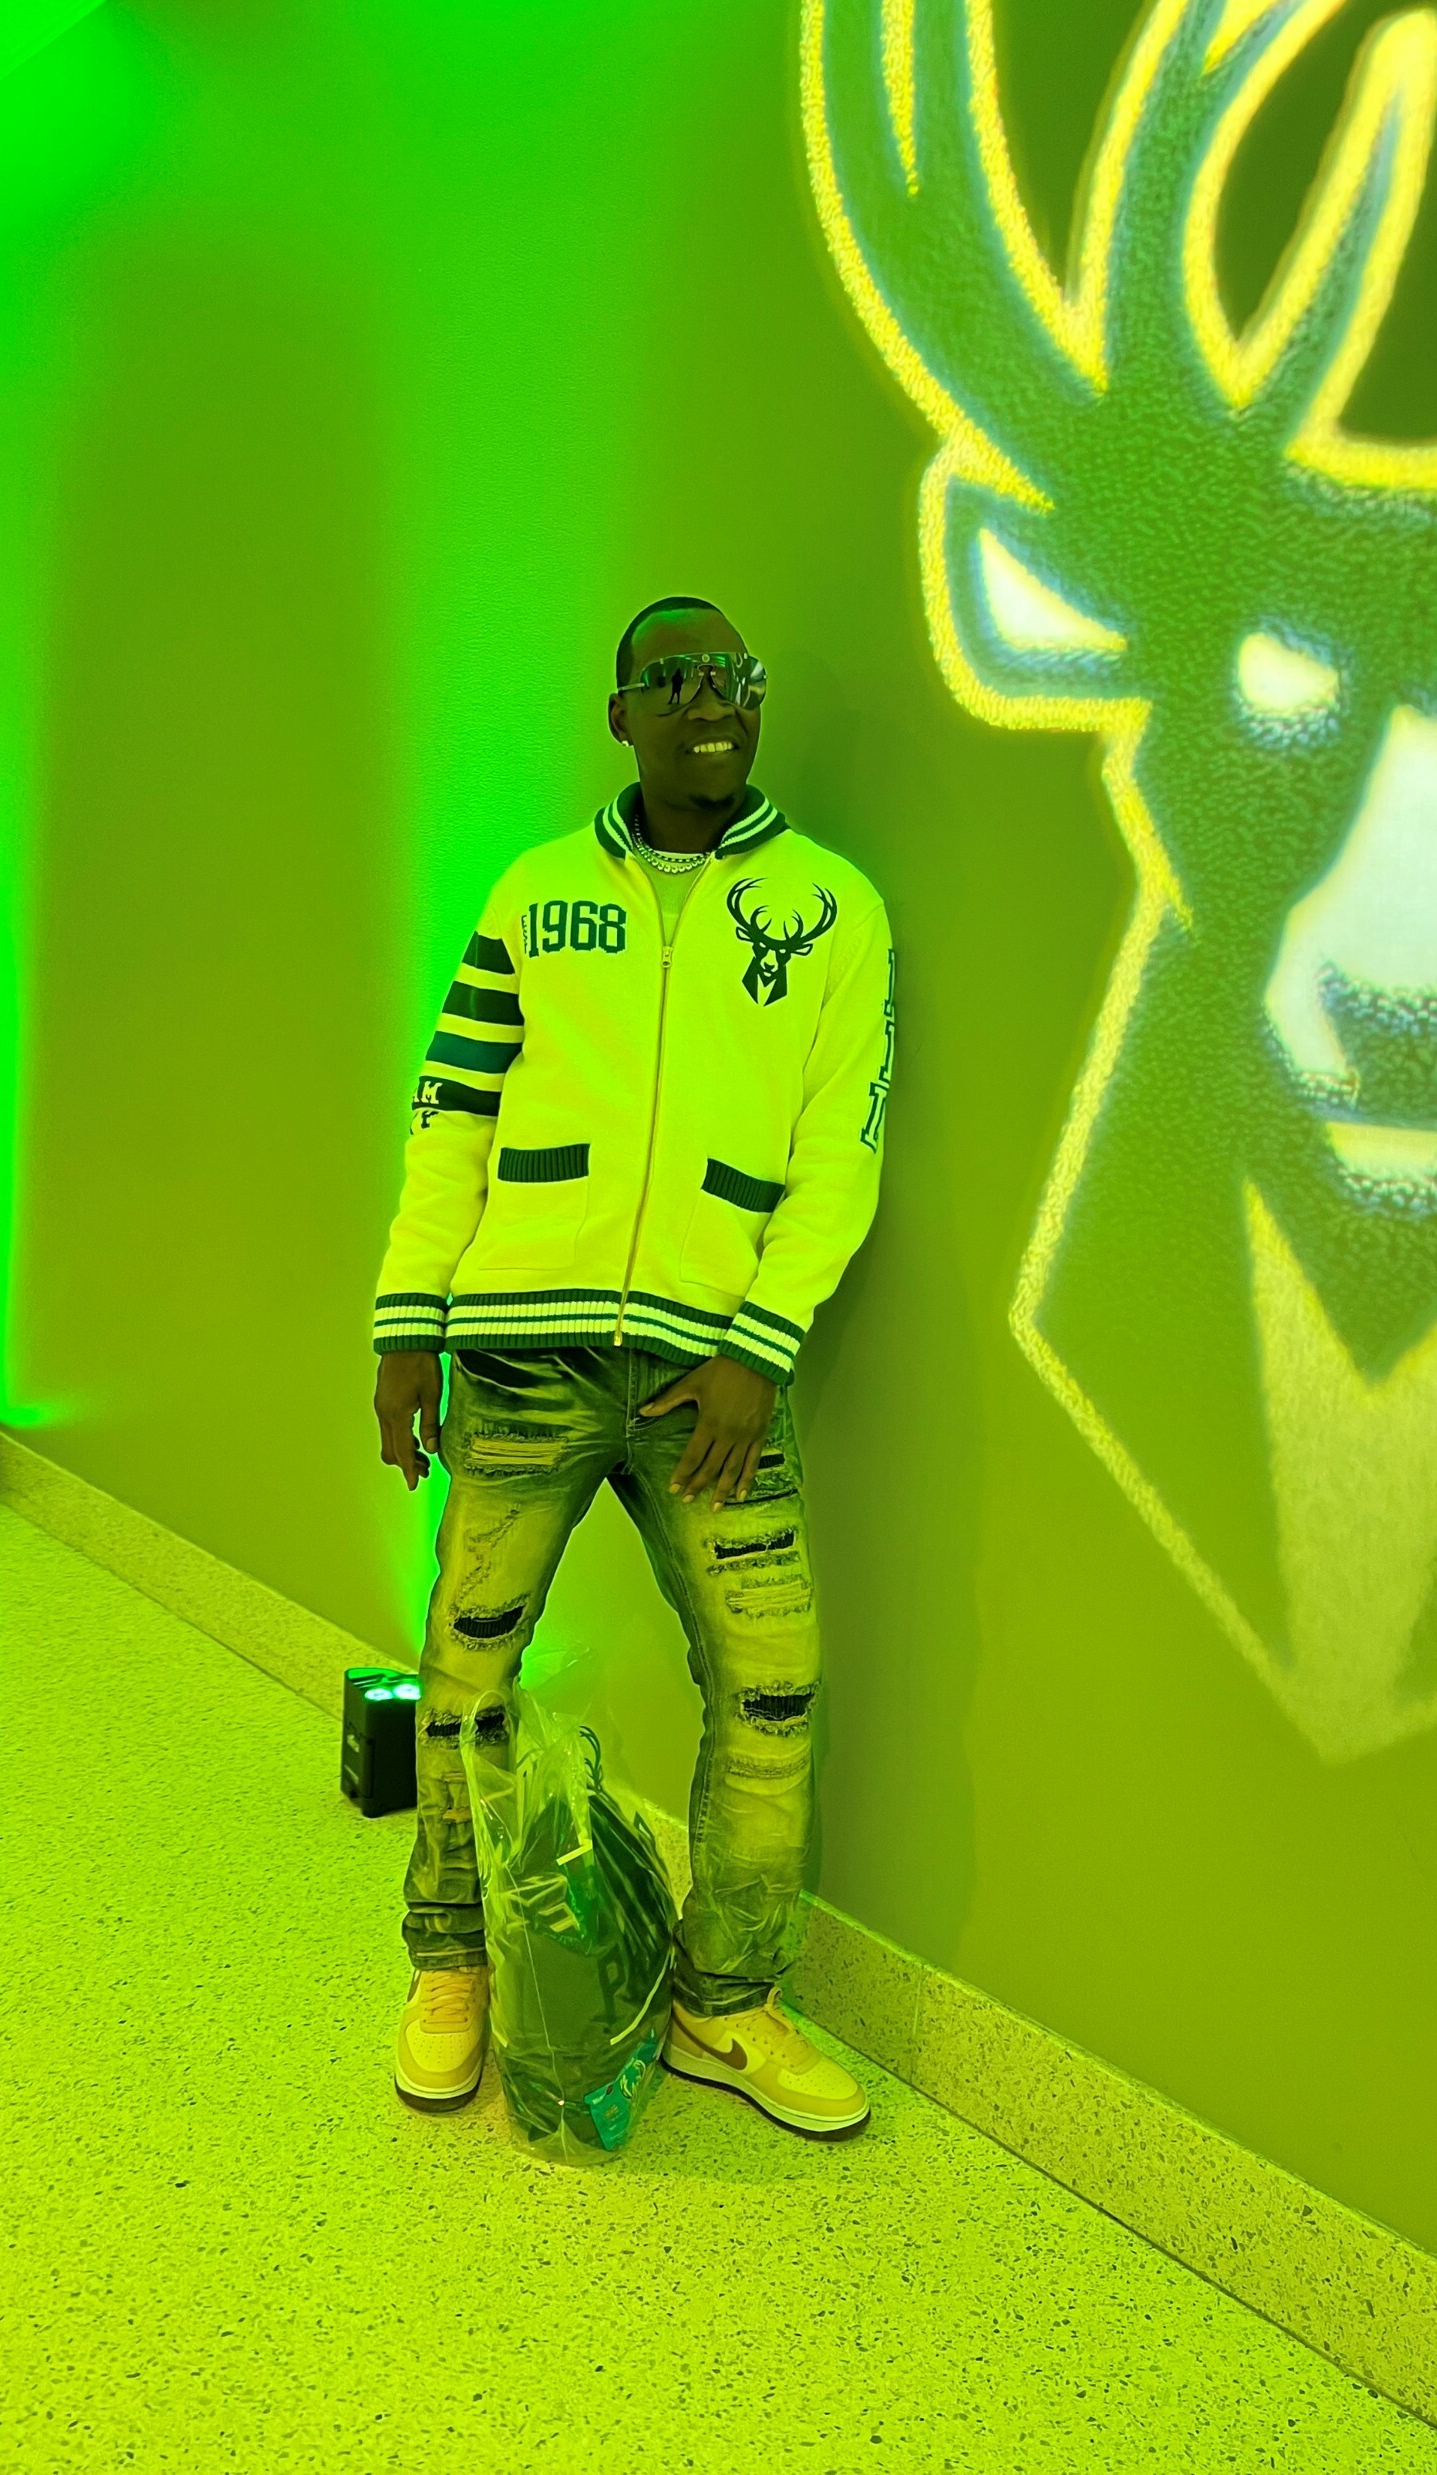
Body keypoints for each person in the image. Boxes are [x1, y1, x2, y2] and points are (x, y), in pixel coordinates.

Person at [372, 596, 895, 2140]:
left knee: (773, 1686)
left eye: (734, 676)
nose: (708, 701)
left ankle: (725, 2001)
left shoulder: (833, 908)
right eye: (673, 679)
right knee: (466, 1676)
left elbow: (841, 1150)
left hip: (710, 1383)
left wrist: (761, 1344)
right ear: (621, 714)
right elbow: (452, 1116)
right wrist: (407, 1326)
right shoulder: (535, 893)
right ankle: (452, 1966)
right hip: (521, 1357)